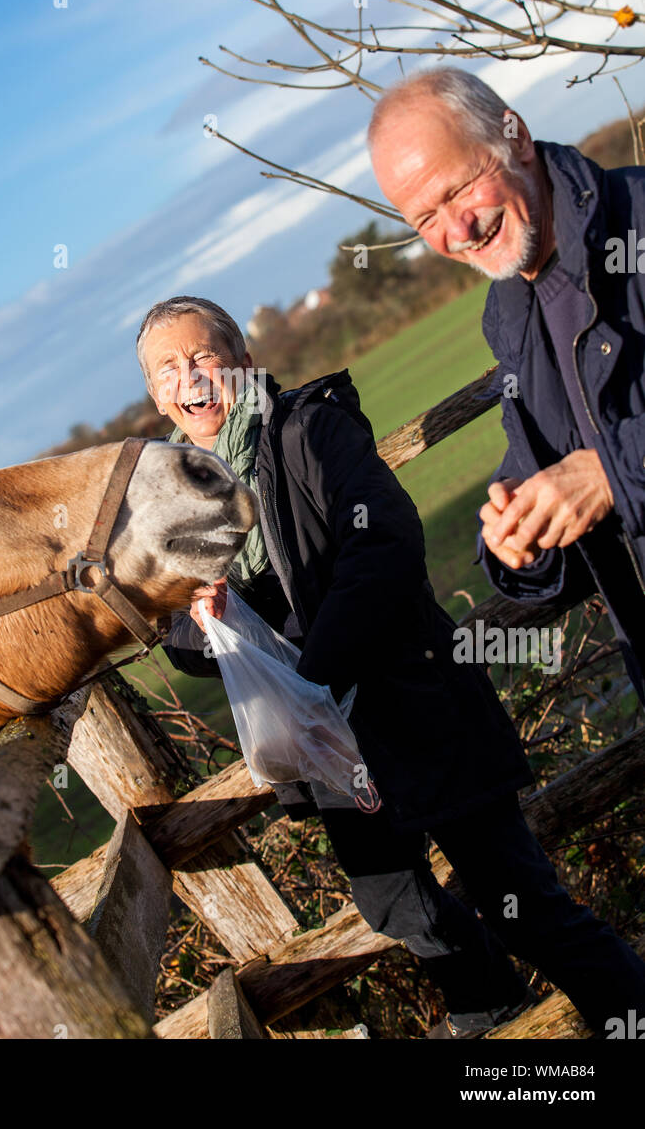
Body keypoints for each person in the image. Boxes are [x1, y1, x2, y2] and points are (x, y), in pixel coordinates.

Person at [135, 295, 645, 1039]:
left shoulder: (309, 429)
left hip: (415, 705)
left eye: (203, 358)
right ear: (156, 395)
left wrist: (316, 670)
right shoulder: (174, 506)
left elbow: (387, 544)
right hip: (326, 750)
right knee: (395, 904)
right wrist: (204, 620)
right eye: (169, 370)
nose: (191, 380)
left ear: (241, 362)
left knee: (525, 904)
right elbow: (178, 633)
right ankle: (494, 1013)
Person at [368, 66, 645, 705]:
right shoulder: (509, 314)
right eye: (424, 218)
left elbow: (601, 477)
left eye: (460, 188)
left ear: (514, 137)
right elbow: (549, 474)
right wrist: (517, 537)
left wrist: (609, 475)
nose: (457, 232)